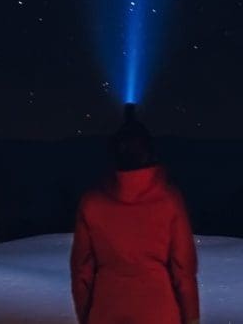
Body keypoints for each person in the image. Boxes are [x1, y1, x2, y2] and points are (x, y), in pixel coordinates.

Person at [70, 104, 200, 324]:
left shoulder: (91, 203)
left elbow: (82, 270)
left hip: (106, 312)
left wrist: (87, 316)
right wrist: (192, 318)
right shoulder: (169, 200)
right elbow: (183, 269)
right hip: (160, 314)